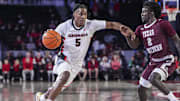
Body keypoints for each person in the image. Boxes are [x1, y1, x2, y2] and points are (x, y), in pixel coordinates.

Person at [36, 3, 123, 101]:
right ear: (74, 14)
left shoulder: (91, 25)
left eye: (85, 14)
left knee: (58, 87)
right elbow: (52, 39)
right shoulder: (64, 26)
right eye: (80, 13)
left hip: (77, 64)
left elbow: (110, 24)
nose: (82, 16)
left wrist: (123, 28)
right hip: (64, 59)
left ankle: (41, 97)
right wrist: (48, 40)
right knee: (64, 75)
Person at [120, 1, 180, 101]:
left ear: (151, 13)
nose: (141, 14)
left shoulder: (162, 24)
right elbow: (134, 46)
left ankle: (173, 99)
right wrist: (128, 37)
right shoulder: (140, 29)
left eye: (144, 12)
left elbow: (177, 40)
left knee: (154, 79)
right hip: (153, 63)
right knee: (141, 88)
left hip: (167, 60)